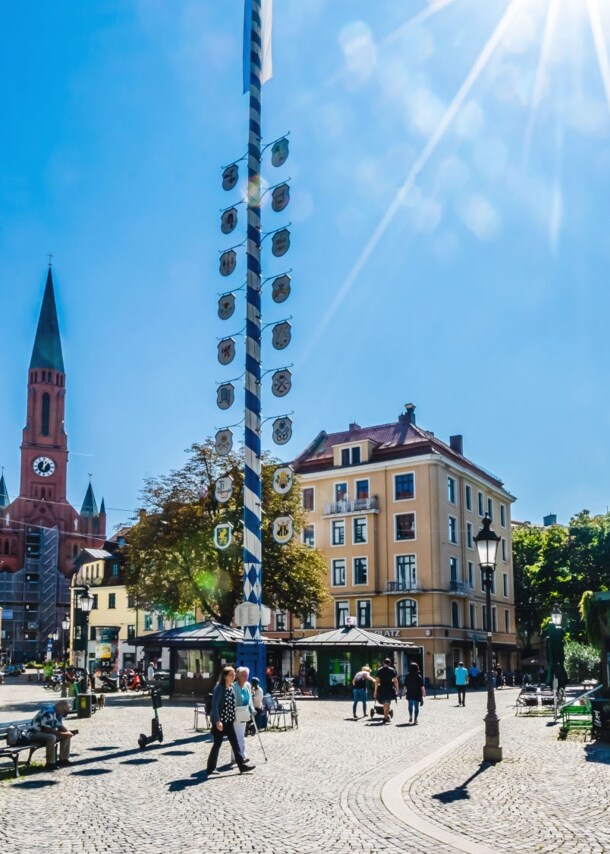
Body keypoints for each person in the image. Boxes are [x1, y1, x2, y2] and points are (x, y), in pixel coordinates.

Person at [206, 666, 255, 775]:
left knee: (235, 743)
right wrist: (217, 721)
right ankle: (210, 768)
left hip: (229, 721)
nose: (233, 677)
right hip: (220, 722)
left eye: (234, 675)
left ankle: (242, 766)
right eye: (231, 675)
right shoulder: (219, 688)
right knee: (217, 745)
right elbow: (214, 705)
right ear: (225, 676)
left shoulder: (231, 687)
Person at [28, 700, 77, 770]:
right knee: (52, 737)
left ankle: (63, 759)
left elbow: (59, 726)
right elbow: (46, 729)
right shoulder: (48, 711)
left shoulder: (58, 713)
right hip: (34, 733)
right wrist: (62, 733)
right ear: (60, 707)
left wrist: (68, 732)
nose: (66, 714)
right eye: (65, 711)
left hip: (44, 733)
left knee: (66, 736)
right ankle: (50, 763)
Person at [232, 666, 254, 763]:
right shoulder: (233, 686)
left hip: (245, 712)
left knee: (241, 734)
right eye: (243, 675)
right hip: (236, 713)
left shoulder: (248, 685)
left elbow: (250, 700)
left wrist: (252, 709)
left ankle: (236, 756)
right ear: (238, 676)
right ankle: (240, 756)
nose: (246, 677)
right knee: (238, 736)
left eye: (247, 675)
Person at [374, 658, 398, 723]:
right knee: (387, 703)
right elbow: (395, 680)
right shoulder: (392, 670)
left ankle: (386, 716)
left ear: (383, 663)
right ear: (389, 663)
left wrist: (375, 691)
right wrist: (397, 689)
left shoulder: (379, 670)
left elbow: (376, 681)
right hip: (389, 688)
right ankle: (385, 717)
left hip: (382, 688)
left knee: (385, 703)